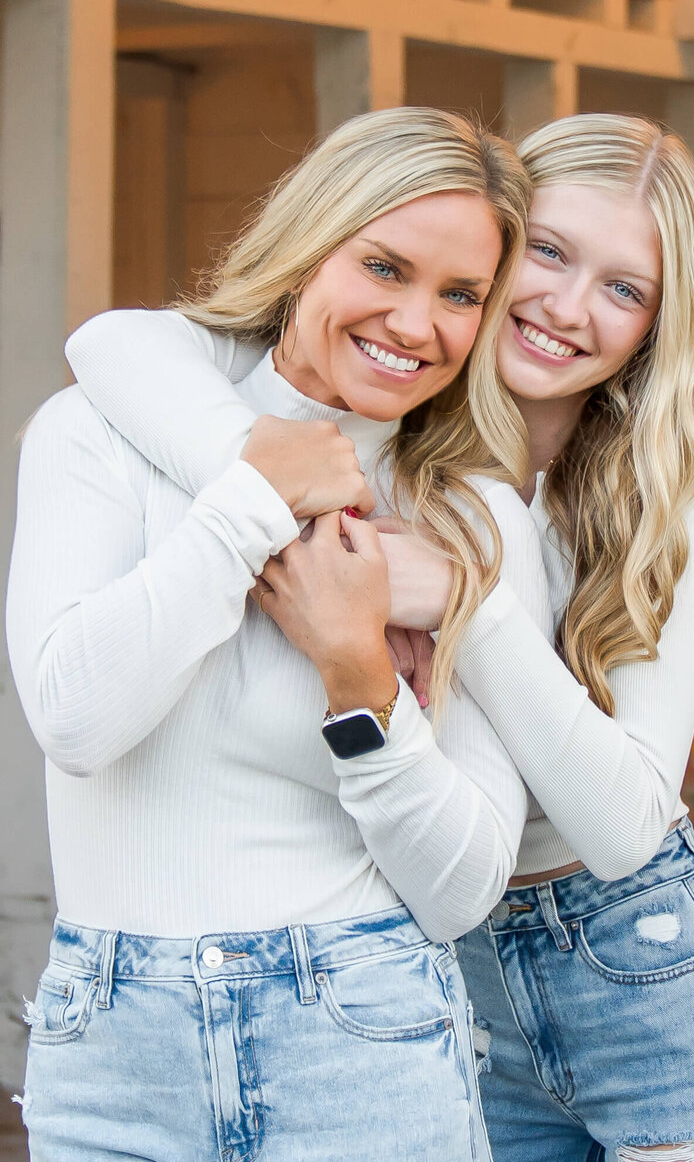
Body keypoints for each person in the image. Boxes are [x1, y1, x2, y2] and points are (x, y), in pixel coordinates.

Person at [65, 112, 694, 1161]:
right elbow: (107, 342)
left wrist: (474, 603)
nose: (564, 305)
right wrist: (261, 469)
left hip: (640, 972)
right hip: (435, 970)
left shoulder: (653, 492)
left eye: (622, 287)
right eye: (544, 252)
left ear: (653, 323)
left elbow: (626, 824)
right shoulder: (382, 412)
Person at [6, 106, 554, 1161]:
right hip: (111, 1050)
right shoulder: (101, 433)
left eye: (459, 296)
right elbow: (74, 720)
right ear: (308, 247)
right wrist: (256, 497)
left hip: (361, 1034)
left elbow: (458, 890)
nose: (414, 323)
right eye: (384, 266)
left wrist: (357, 673)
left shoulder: (471, 523)